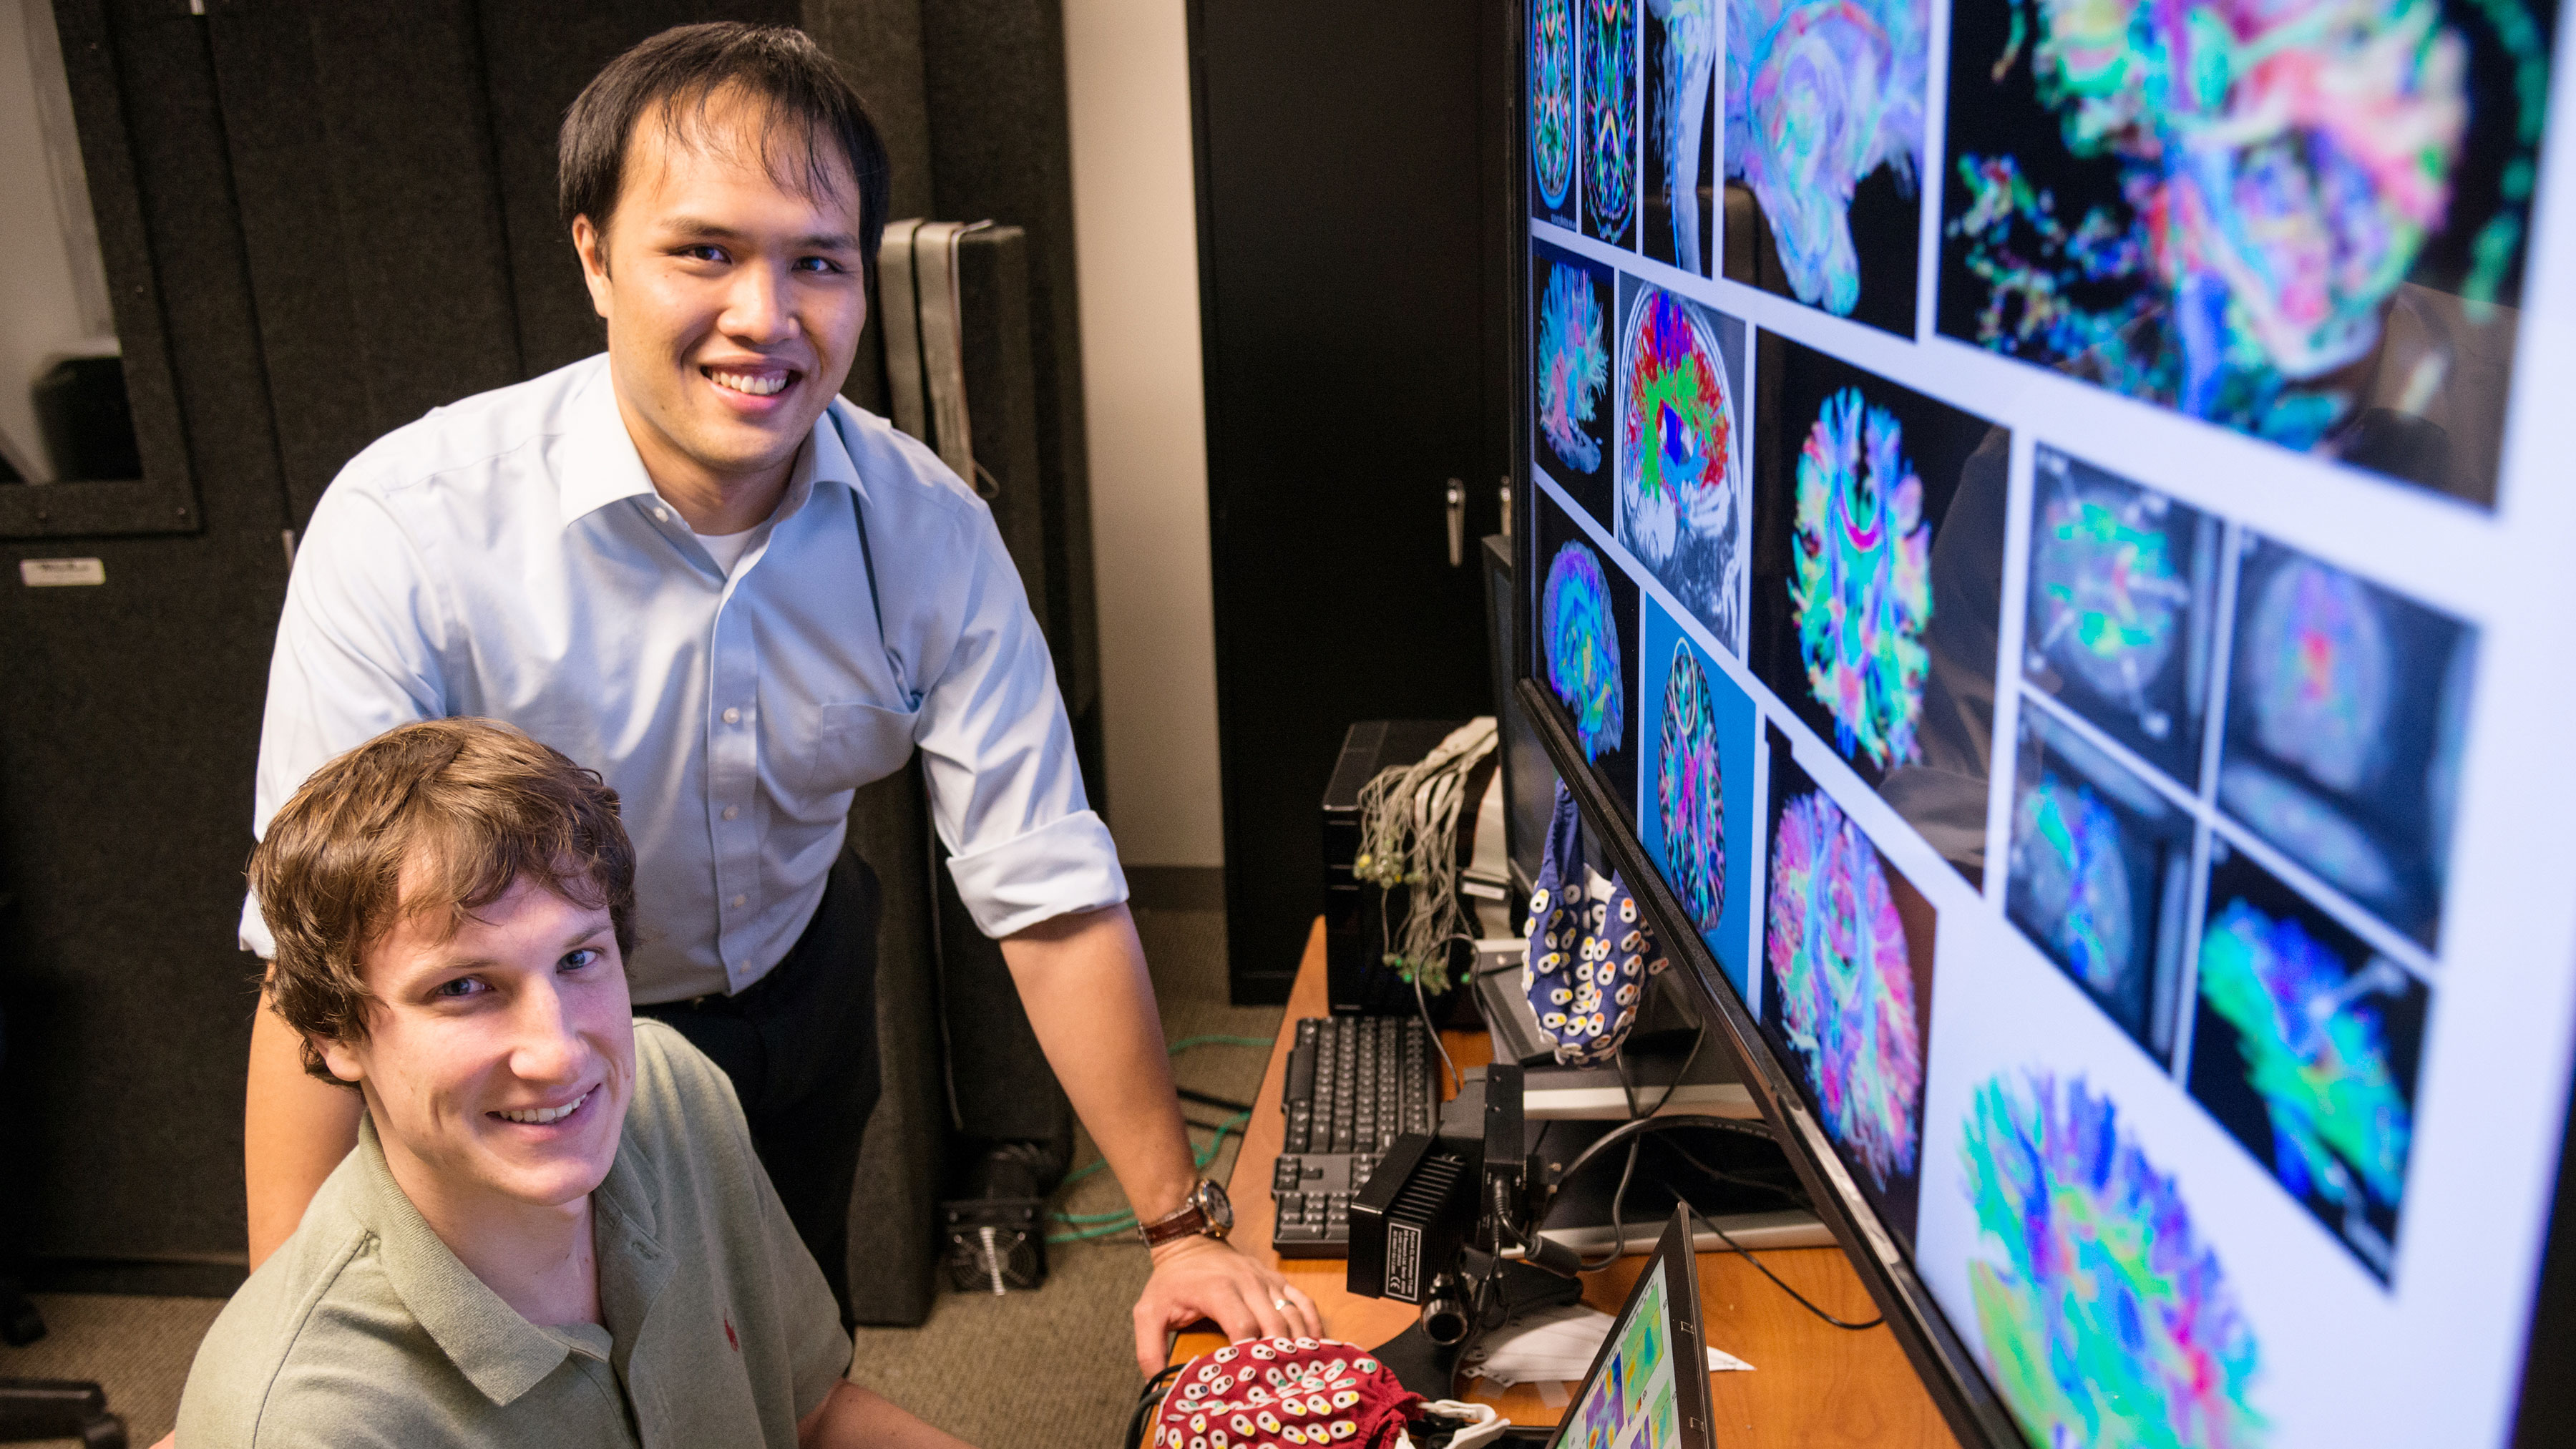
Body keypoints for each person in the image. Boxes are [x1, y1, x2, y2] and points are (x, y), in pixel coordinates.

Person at [238, 21, 1314, 1372]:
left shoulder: (927, 530)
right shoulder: (413, 526)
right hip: (529, 1032)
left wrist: (1179, 1230)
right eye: (705, 252)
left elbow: (1048, 886)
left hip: (799, 985)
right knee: (544, 1382)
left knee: (783, 1358)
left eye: (818, 261)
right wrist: (264, 1357)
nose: (767, 316)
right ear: (593, 256)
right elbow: (316, 964)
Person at [181, 718, 972, 1447]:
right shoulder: (319, 1422)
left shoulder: (668, 1089)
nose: (558, 1054)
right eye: (463, 988)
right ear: (335, 1031)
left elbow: (814, 1415)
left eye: (578, 959)